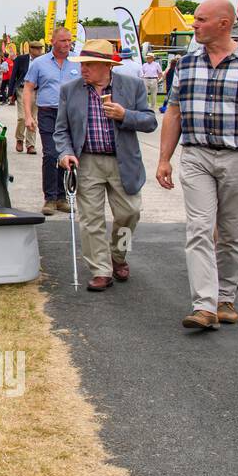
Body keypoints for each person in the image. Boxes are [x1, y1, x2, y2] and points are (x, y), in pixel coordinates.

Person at [156, 0, 238, 331]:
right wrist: (164, 159)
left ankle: (225, 298)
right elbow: (173, 112)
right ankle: (204, 305)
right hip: (196, 155)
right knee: (198, 229)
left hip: (236, 157)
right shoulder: (184, 64)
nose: (193, 25)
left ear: (224, 24)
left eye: (200, 20)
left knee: (230, 231)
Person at [53, 40, 157, 291]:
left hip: (123, 161)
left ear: (106, 66)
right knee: (91, 219)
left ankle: (118, 255)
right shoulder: (70, 89)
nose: (83, 69)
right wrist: (65, 153)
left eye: (89, 64)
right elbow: (61, 130)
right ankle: (101, 269)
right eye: (82, 64)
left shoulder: (131, 85)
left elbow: (150, 121)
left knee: (130, 213)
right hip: (87, 161)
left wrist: (125, 115)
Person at [24, 28, 81, 215]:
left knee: (67, 155)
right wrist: (28, 115)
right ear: (53, 41)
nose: (67, 44)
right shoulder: (39, 63)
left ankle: (62, 197)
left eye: (69, 41)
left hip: (71, 115)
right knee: (50, 154)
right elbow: (28, 89)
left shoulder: (77, 62)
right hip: (48, 112)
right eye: (63, 41)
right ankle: (49, 198)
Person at [12, 42, 37, 153]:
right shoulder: (20, 59)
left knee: (33, 118)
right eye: (36, 48)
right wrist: (10, 94)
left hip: (36, 91)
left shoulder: (42, 61)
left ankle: (30, 145)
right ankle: (19, 139)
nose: (39, 51)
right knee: (22, 117)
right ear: (31, 49)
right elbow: (13, 76)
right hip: (22, 90)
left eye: (40, 49)